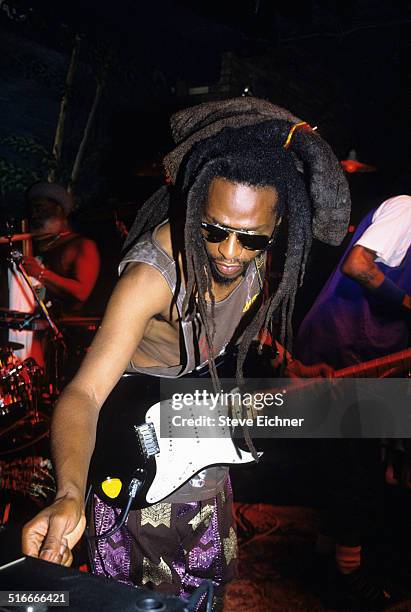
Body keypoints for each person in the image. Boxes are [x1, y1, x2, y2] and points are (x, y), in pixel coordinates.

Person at [21, 97, 350, 609]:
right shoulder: (153, 277)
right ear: (196, 205)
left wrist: (300, 371)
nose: (230, 253)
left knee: (206, 592)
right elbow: (84, 392)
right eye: (214, 230)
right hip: (136, 452)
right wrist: (67, 493)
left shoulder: (261, 260)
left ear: (277, 226)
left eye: (251, 239)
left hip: (196, 428)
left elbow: (237, 337)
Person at [295, 194, 411, 609]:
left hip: (369, 353)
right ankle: (348, 574)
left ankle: (325, 557)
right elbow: (358, 265)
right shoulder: (407, 209)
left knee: (347, 463)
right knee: (356, 469)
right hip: (344, 348)